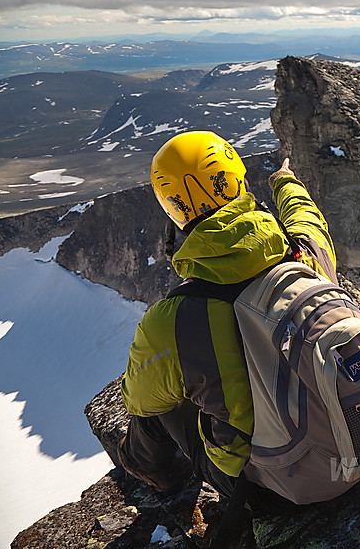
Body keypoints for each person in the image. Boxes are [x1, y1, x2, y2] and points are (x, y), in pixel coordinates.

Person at [118, 130, 336, 510]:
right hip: (356, 429)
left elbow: (137, 399)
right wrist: (285, 183)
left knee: (158, 404)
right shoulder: (303, 254)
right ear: (237, 179)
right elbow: (307, 219)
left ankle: (160, 479)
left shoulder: (171, 321)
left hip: (275, 487)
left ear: (172, 210)